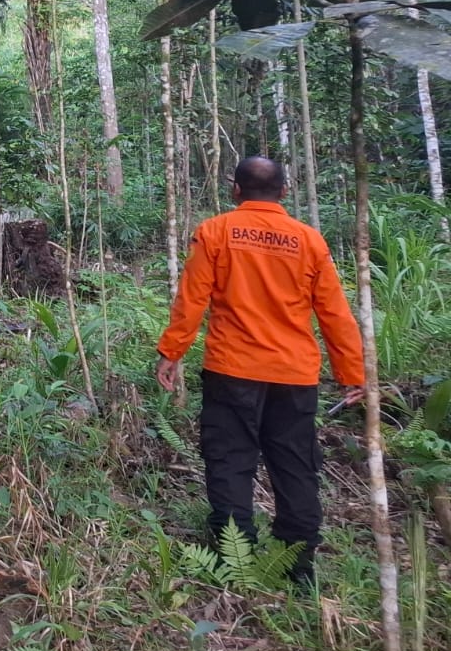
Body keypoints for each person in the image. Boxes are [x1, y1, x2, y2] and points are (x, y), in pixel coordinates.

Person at [156, 156, 365, 586]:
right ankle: (297, 566)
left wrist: (172, 352)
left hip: (232, 370)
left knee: (230, 460)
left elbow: (191, 298)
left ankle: (234, 556)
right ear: (284, 192)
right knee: (295, 465)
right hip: (294, 375)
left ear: (235, 189)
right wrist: (352, 372)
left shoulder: (215, 231)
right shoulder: (308, 240)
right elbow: (334, 312)